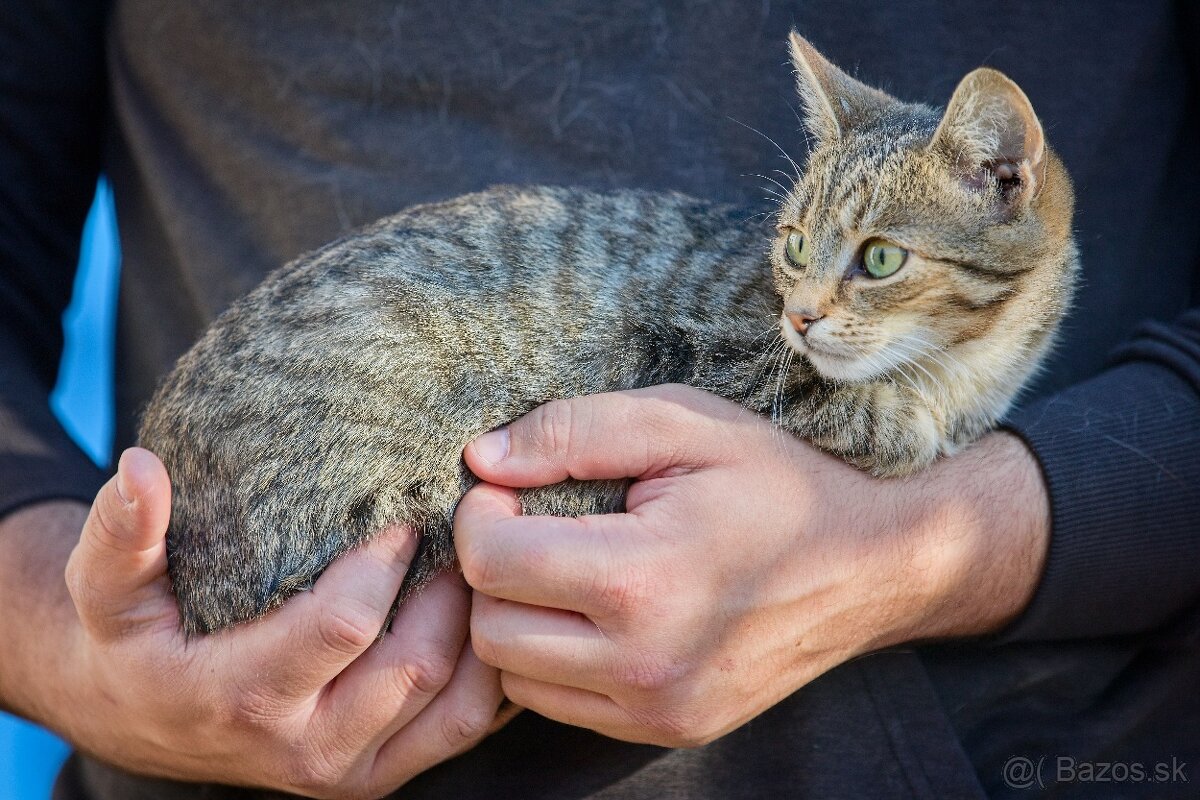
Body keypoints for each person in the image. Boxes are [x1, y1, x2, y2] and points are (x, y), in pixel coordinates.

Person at [1, 1, 1197, 798]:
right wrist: (66, 655)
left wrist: (946, 546)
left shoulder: (966, 212)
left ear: (1007, 190)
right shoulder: (821, 347)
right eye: (797, 251)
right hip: (247, 647)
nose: (808, 312)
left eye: (869, 263)